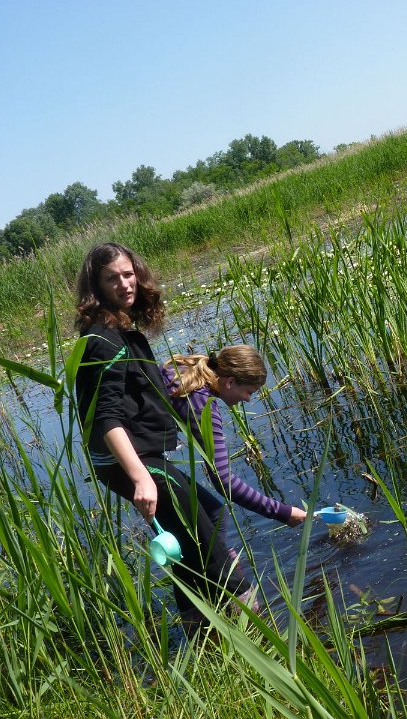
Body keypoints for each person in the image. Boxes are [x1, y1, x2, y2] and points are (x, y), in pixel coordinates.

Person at [74, 242, 254, 637]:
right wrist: (140, 477)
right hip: (132, 462)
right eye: (112, 278)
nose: (125, 284)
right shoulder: (103, 342)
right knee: (210, 545)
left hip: (142, 458)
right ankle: (256, 629)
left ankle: (201, 633)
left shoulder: (122, 333)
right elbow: (106, 418)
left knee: (209, 516)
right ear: (96, 286)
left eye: (128, 274)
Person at [160, 346, 307, 543]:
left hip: (136, 452)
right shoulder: (203, 405)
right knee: (214, 518)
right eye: (249, 392)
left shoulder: (184, 370)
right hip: (135, 458)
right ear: (229, 382)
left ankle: (215, 558)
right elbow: (224, 481)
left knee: (212, 517)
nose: (248, 399)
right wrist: (283, 512)